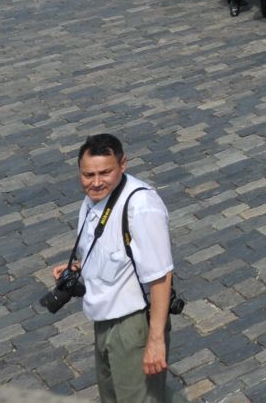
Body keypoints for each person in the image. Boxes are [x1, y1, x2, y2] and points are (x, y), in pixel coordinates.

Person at [50, 133, 174, 403]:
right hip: (103, 320)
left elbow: (161, 276)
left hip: (133, 326)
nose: (95, 183)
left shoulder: (140, 207)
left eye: (105, 172)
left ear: (123, 164)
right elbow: (111, 249)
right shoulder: (94, 198)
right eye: (88, 175)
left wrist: (155, 341)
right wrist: (79, 266)